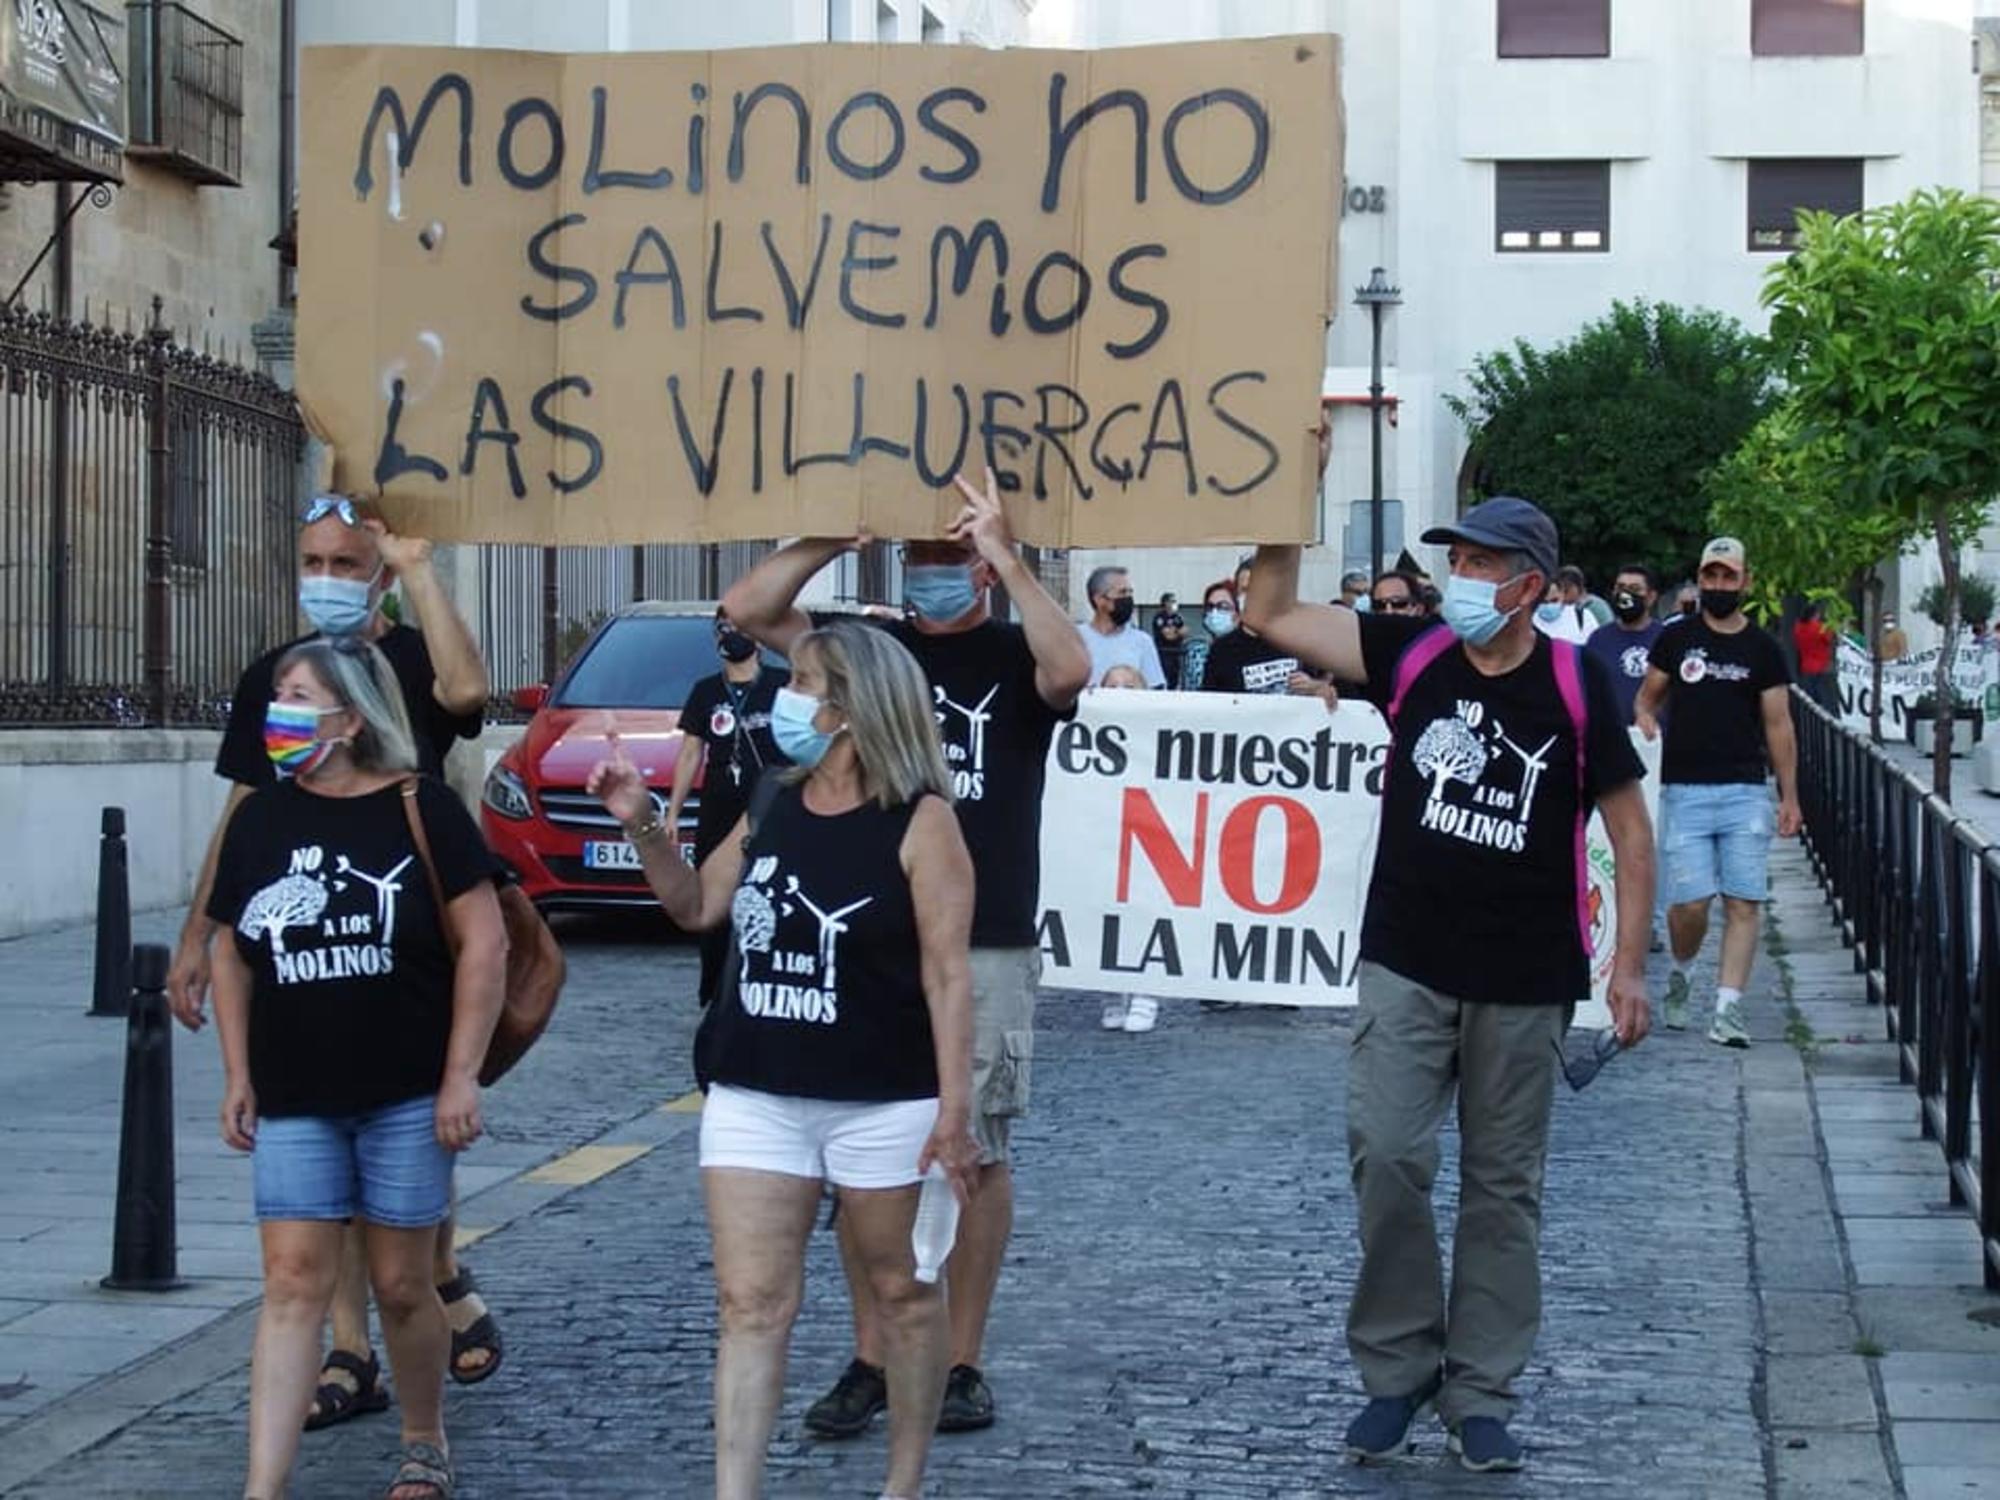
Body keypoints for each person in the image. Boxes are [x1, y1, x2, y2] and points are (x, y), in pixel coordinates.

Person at [1243, 495, 1654, 1475]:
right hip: (1406, 959)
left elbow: (1631, 835)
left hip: (1524, 975)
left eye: (1480, 563)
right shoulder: (1411, 651)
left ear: (1530, 586)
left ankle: (1479, 1389)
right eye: (1455, 560)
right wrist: (1273, 497)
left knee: (1500, 1191)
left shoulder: (1576, 682)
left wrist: (1628, 969)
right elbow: (1267, 612)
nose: (1459, 579)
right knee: (1383, 1151)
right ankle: (1397, 1368)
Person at [723, 468, 1090, 1437]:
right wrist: (833, 534)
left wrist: (1005, 556)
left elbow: (1072, 672)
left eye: (949, 556)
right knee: (867, 1152)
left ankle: (960, 1356)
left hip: (985, 932)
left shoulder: (1011, 654)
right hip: (866, 927)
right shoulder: (867, 650)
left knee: (971, 1149)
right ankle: (872, 1355)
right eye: (920, 554)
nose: (933, 570)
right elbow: (750, 609)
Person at [587, 618, 982, 1500]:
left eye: (801, 681)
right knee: (749, 1304)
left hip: (886, 1098)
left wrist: (956, 1115)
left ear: (848, 707)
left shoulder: (923, 822)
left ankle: (903, 1485)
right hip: (756, 1087)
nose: (782, 698)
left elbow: (950, 977)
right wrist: (645, 823)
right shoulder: (772, 797)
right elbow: (695, 908)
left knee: (903, 1295)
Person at [167, 493, 503, 1427]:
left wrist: (424, 568)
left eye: (346, 565)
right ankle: (353, 1347)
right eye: (311, 562)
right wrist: (201, 933)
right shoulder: (281, 677)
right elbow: (245, 809)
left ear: (381, 572)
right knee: (324, 1151)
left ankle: (428, 1284)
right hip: (302, 949)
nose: (326, 581)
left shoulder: (405, 652)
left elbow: (469, 695)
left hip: (406, 934)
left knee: (402, 1128)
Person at [206, 637, 506, 1500]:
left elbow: (483, 944)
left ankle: (423, 1438)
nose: (281, 714)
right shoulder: (262, 815)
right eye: (278, 696)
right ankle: (264, 1484)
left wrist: (461, 1075)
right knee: (291, 1281)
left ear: (351, 715)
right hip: (297, 1092)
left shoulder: (422, 808)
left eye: (300, 697)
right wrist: (237, 1071)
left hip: (406, 1094)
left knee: (401, 1284)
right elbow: (233, 948)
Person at [1635, 537, 1801, 1045]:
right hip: (1684, 789)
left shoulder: (1763, 650)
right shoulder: (1676, 638)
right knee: (1689, 904)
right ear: (1700, 580)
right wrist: (1644, 725)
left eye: (1729, 577)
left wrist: (1789, 796)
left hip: (1745, 791)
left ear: (1744, 582)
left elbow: (1779, 725)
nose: (1719, 585)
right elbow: (1648, 699)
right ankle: (1684, 971)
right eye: (1711, 576)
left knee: (1744, 902)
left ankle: (1728, 1009)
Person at [667, 613, 791, 1005]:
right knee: (713, 899)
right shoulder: (705, 692)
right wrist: (673, 812)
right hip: (719, 804)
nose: (732, 636)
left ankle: (767, 980)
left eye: (740, 627)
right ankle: (714, 988)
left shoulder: (781, 685)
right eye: (724, 629)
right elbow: (690, 754)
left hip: (770, 802)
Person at [1094, 663, 1161, 1033]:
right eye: (1113, 685)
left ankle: (1147, 992)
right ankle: (1111, 992)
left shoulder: (1161, 730)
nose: (1121, 691)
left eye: (1129, 685)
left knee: (1147, 911)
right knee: (1105, 911)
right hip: (1105, 833)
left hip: (1149, 830)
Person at [1582, 563, 1665, 725]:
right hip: (1610, 735)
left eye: (1635, 589)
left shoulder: (1666, 638)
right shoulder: (1598, 639)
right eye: (1620, 588)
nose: (1625, 595)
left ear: (1651, 597)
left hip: (1655, 737)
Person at [1078, 565, 1167, 687]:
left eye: (1130, 592)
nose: (1128, 598)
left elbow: (1156, 688)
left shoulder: (1142, 641)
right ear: (1099, 599)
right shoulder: (1076, 639)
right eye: (1122, 592)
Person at [1179, 580, 1238, 696]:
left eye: (1223, 606)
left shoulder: (1248, 652)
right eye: (1210, 607)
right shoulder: (1196, 651)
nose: (1215, 612)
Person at [1793, 602, 1838, 714]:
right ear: (1815, 614)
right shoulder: (1820, 628)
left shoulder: (1798, 627)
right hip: (1822, 668)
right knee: (1826, 703)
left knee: (1810, 704)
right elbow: (1831, 639)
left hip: (1806, 667)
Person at [1535, 566, 1596, 644]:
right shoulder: (1529, 620)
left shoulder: (1584, 618)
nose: (1549, 605)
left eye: (1554, 600)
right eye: (1544, 602)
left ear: (1563, 594)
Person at [1150, 592, 1188, 689]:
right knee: (1162, 679)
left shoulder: (1178, 617)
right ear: (1165, 603)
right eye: (1171, 601)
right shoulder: (1160, 617)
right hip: (1163, 653)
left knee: (1174, 680)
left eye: (1175, 601)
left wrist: (1175, 632)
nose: (1174, 603)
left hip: (1176, 653)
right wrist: (1177, 632)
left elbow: (1185, 631)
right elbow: (1168, 636)